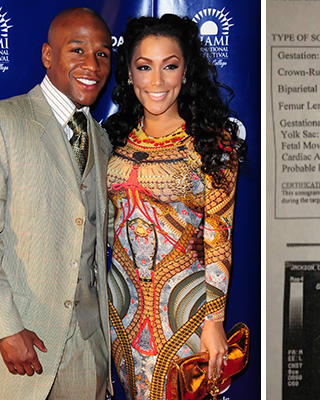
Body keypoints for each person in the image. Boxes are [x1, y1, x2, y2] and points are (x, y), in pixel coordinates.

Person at [0, 7, 114, 400]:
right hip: (20, 345)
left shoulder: (103, 141)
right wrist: (4, 328)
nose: (92, 64)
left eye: (103, 53)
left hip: (87, 351)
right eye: (77, 50)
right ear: (48, 56)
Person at [103, 14, 246, 400]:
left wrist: (214, 321)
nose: (157, 81)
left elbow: (219, 236)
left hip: (185, 314)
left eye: (170, 66)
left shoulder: (212, 144)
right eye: (144, 67)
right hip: (121, 312)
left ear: (186, 72)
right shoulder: (113, 141)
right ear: (130, 74)